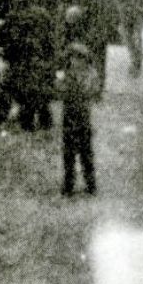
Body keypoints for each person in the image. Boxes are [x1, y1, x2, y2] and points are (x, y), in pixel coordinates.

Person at [0, 0, 56, 131]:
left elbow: (4, 40)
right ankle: (44, 121)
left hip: (18, 62)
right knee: (41, 92)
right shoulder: (44, 15)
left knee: (6, 90)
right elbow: (50, 41)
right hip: (39, 61)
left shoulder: (12, 16)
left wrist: (6, 56)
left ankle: (0, 118)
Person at [58, 42, 99, 196]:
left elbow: (93, 90)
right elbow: (59, 89)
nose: (75, 61)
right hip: (69, 116)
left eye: (79, 58)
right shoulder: (66, 74)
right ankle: (69, 184)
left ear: (85, 59)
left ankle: (90, 184)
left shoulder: (91, 74)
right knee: (68, 153)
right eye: (72, 58)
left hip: (83, 117)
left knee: (86, 152)